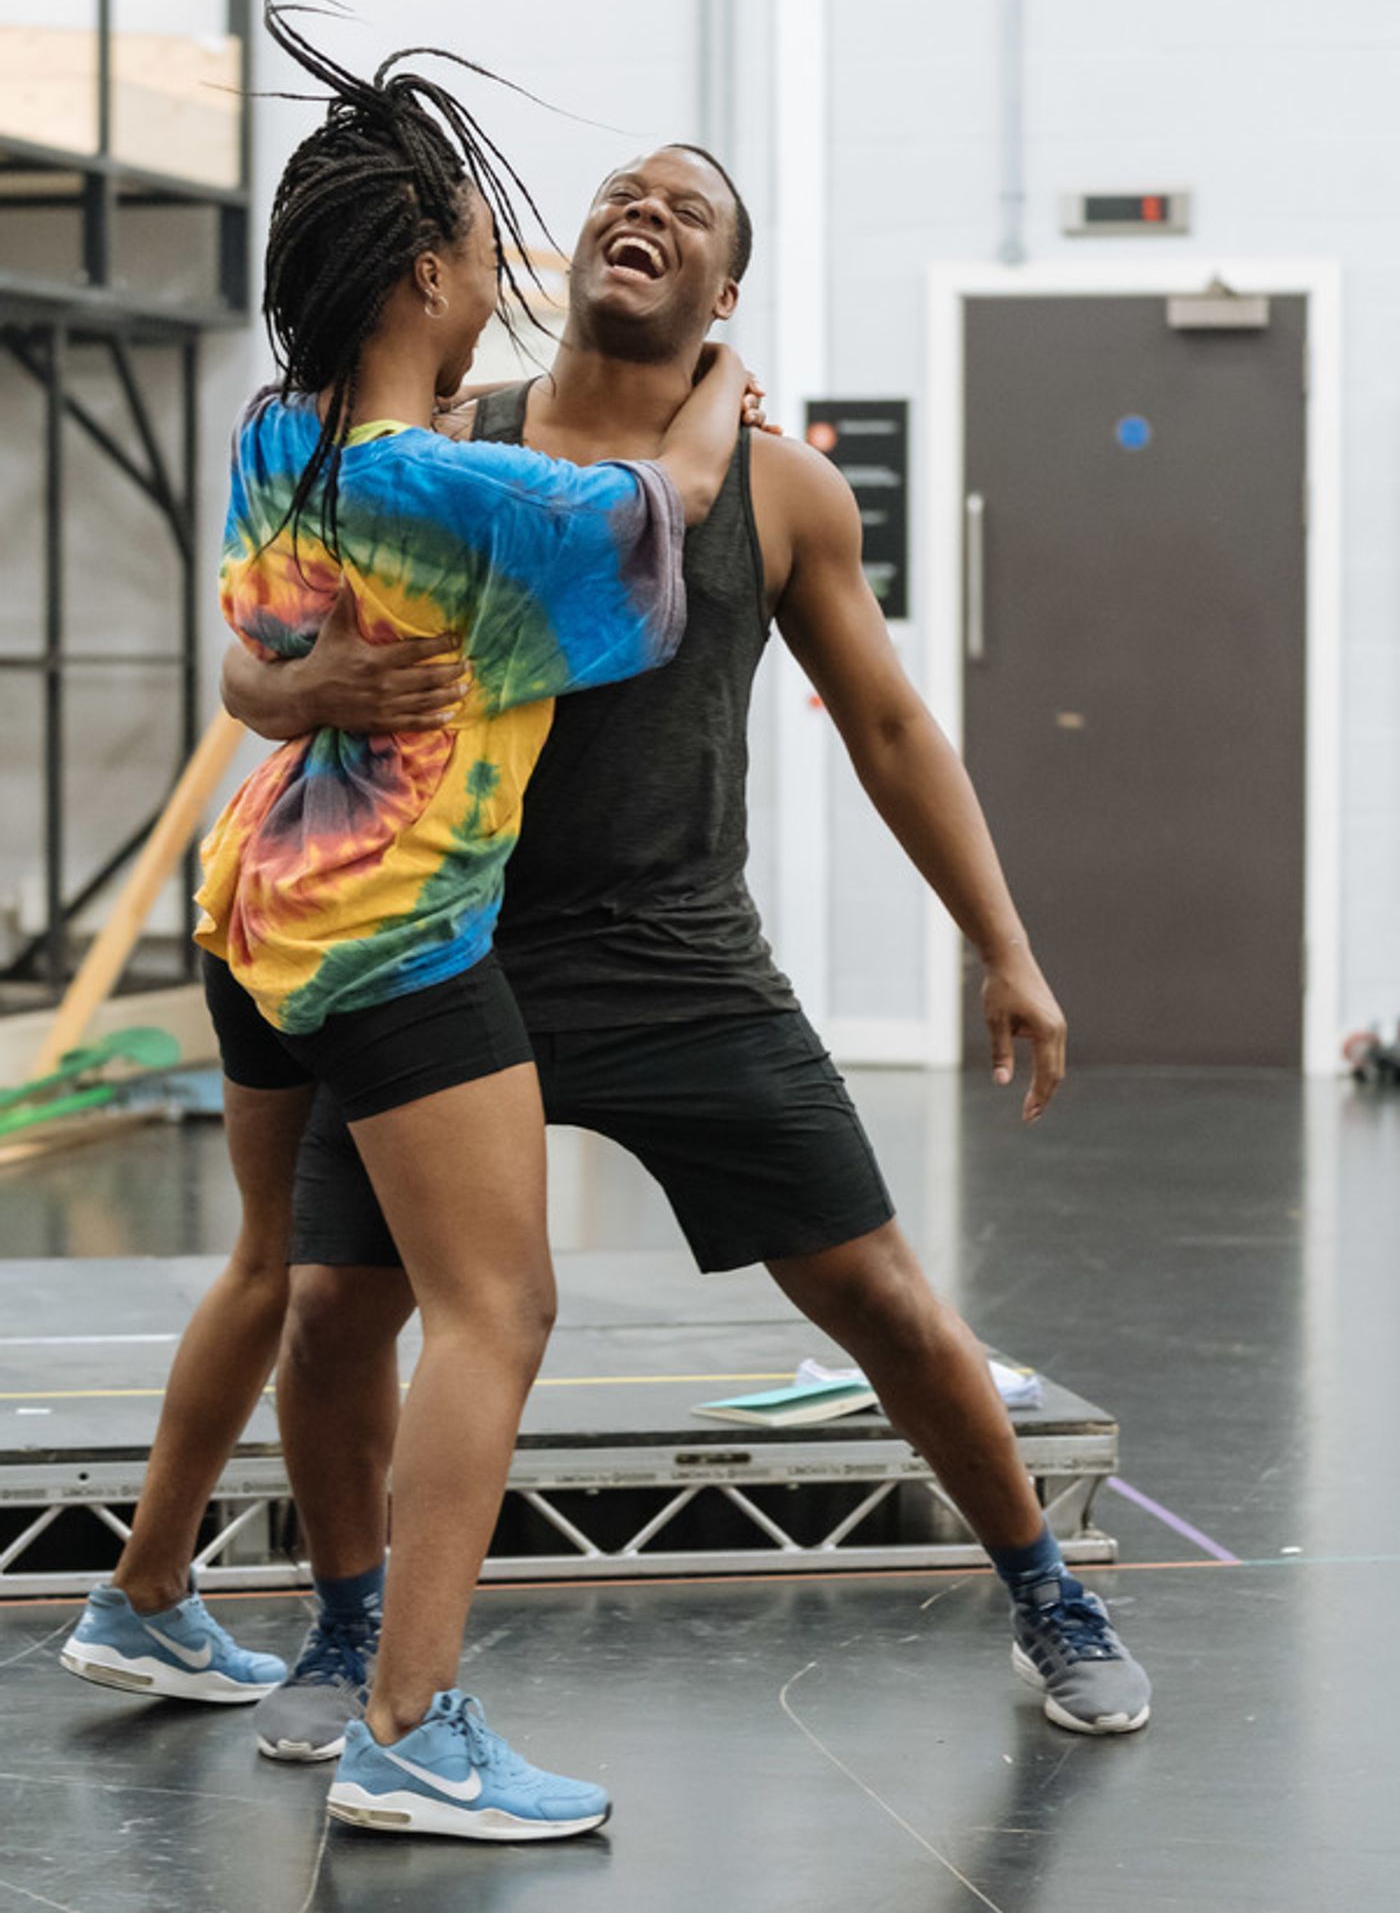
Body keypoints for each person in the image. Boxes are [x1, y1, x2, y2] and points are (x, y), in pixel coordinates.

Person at [227, 142, 1152, 1754]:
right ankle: (349, 1627)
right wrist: (298, 696)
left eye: (689, 209)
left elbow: (886, 721)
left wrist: (1005, 947)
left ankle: (1046, 1589)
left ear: (723, 295)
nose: (641, 211)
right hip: (452, 948)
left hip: (675, 954)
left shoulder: (777, 488)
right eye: (619, 195)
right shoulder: (451, 441)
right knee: (331, 1309)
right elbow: (265, 661)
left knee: (875, 1292)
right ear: (567, 251)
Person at [62, 0, 754, 1845]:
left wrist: (287, 696)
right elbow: (671, 510)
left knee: (279, 1268)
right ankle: (411, 1723)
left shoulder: (281, 438)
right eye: (476, 253)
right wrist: (711, 404)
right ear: (433, 268)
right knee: (496, 1303)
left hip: (251, 908)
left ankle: (143, 1603)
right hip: (391, 936)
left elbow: (265, 648)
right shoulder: (474, 491)